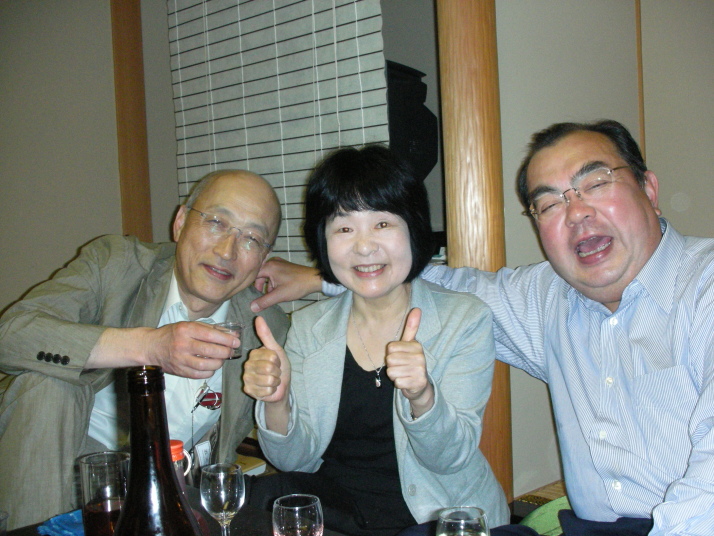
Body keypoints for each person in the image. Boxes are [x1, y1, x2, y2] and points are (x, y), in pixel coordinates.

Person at [248, 120, 714, 536]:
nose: (576, 212)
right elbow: (411, 277)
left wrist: (421, 395)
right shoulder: (545, 297)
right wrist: (321, 279)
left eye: (595, 183)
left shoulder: (703, 289)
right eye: (549, 203)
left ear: (649, 188)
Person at [242, 145, 509, 536]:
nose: (364, 246)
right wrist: (277, 402)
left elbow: (450, 459)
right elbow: (293, 461)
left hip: (433, 515)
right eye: (344, 228)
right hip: (338, 511)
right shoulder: (309, 327)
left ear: (412, 228)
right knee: (247, 503)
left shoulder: (463, 319)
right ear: (323, 241)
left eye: (382, 223)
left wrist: (422, 397)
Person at [0, 169, 290, 529]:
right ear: (180, 223)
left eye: (251, 239)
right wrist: (148, 346)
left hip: (173, 491)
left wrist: (322, 280)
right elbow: (11, 334)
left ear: (263, 258)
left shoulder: (266, 325)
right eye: (216, 222)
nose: (226, 251)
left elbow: (295, 449)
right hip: (64, 470)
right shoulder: (116, 265)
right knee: (47, 387)